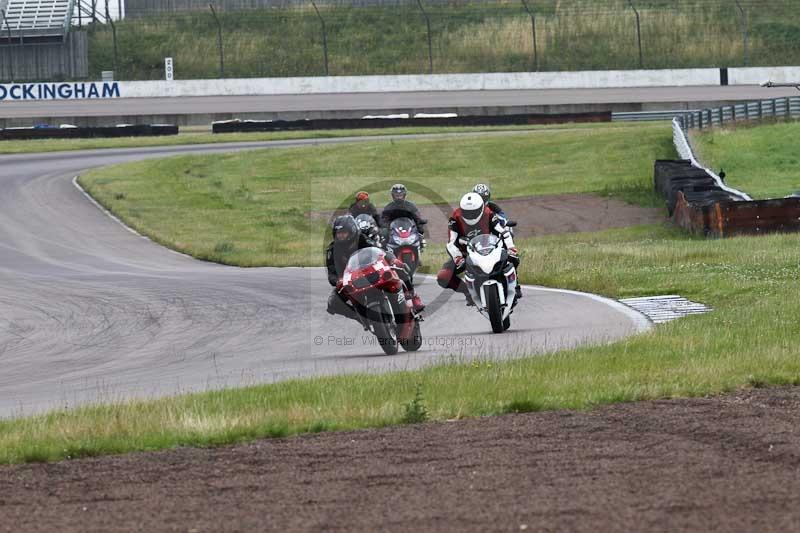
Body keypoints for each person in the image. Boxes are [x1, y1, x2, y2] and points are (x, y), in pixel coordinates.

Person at [326, 215, 424, 320]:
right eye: (338, 233)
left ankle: (413, 296)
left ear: (352, 231)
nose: (341, 236)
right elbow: (331, 272)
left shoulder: (362, 239)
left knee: (400, 267)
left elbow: (379, 251)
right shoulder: (332, 250)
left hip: (372, 271)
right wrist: (338, 280)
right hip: (351, 281)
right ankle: (359, 316)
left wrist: (392, 260)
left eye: (343, 233)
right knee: (333, 302)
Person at [437, 193, 521, 305]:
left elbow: (503, 232)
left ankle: (513, 287)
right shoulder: (455, 218)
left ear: (481, 208)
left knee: (513, 259)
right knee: (443, 276)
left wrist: (511, 248)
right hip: (465, 253)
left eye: (474, 212)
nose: (470, 215)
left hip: (489, 249)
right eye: (467, 212)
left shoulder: (488, 213)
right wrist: (458, 258)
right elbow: (451, 243)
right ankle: (469, 293)